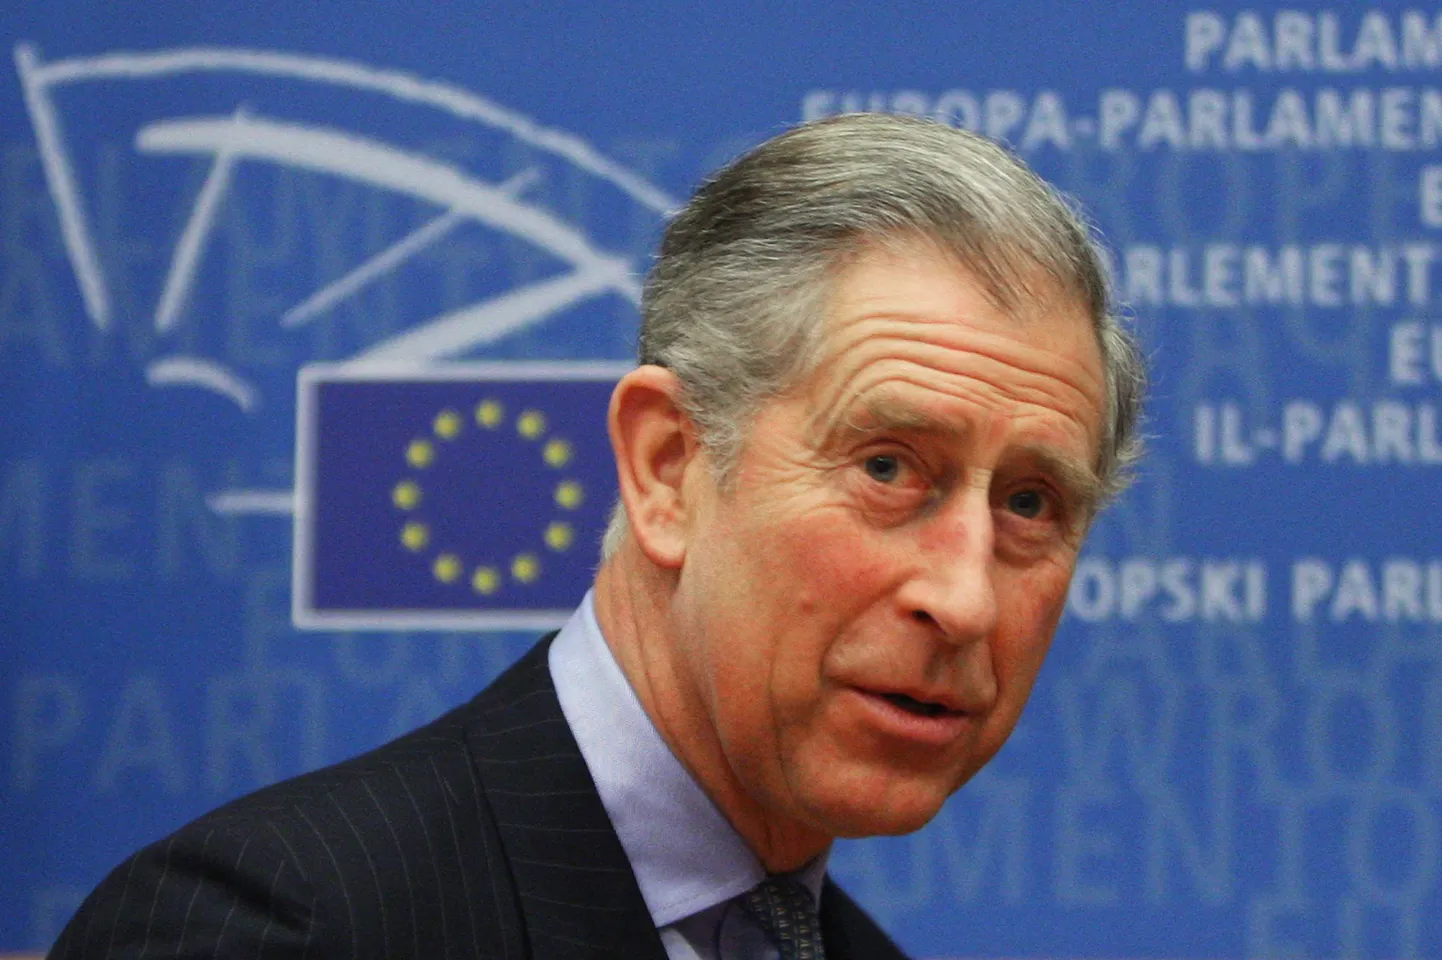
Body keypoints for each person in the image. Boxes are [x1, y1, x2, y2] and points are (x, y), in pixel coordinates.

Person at [49, 113, 1145, 960]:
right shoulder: (281, 927)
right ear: (667, 469)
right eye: (887, 468)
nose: (964, 599)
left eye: (1029, 505)